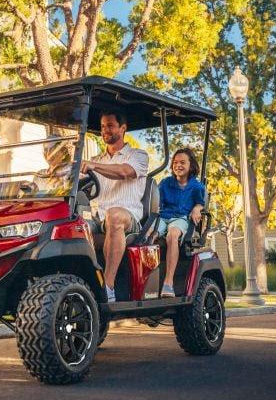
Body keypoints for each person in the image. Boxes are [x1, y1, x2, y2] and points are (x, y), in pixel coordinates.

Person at [81, 111, 149, 302]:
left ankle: (108, 287)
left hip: (128, 217)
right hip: (98, 218)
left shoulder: (138, 155)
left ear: (123, 128)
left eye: (110, 125)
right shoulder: (97, 159)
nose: (105, 130)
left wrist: (93, 166)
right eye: (103, 126)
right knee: (68, 223)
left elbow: (123, 172)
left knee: (114, 216)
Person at [157, 148, 205, 297]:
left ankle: (168, 283)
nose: (178, 165)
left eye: (182, 162)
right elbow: (156, 202)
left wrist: (197, 209)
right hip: (163, 216)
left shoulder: (196, 186)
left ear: (191, 165)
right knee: (148, 234)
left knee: (172, 235)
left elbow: (200, 203)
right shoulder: (166, 183)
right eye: (175, 162)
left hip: (181, 218)